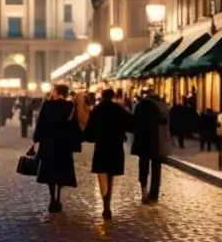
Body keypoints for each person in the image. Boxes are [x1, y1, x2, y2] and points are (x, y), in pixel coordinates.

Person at [32, 84, 83, 213]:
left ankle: (52, 198)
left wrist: (37, 138)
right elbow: (74, 125)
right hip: (64, 144)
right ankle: (58, 196)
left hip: (49, 143)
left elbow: (40, 123)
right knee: (62, 171)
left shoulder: (47, 105)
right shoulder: (70, 106)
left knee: (50, 172)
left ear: (56, 92)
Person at [83, 88, 133, 219]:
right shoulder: (118, 109)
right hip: (115, 144)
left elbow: (89, 128)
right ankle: (108, 199)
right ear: (113, 96)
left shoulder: (97, 110)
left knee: (101, 173)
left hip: (101, 144)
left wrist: (90, 137)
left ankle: (105, 200)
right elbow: (130, 123)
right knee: (111, 173)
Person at [132, 89, 170, 204]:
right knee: (156, 168)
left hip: (142, 141)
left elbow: (134, 122)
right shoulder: (157, 107)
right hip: (155, 142)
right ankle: (154, 194)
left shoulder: (139, 106)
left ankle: (143, 189)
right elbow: (163, 120)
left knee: (143, 167)